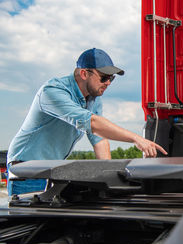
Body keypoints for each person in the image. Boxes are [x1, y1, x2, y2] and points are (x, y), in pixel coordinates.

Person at [7, 48, 167, 195]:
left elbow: (99, 139)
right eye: (104, 77)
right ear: (84, 74)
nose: (108, 83)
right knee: (32, 222)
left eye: (111, 78)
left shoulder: (93, 98)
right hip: (27, 170)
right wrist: (136, 138)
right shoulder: (53, 92)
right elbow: (93, 123)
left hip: (51, 170)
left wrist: (109, 180)